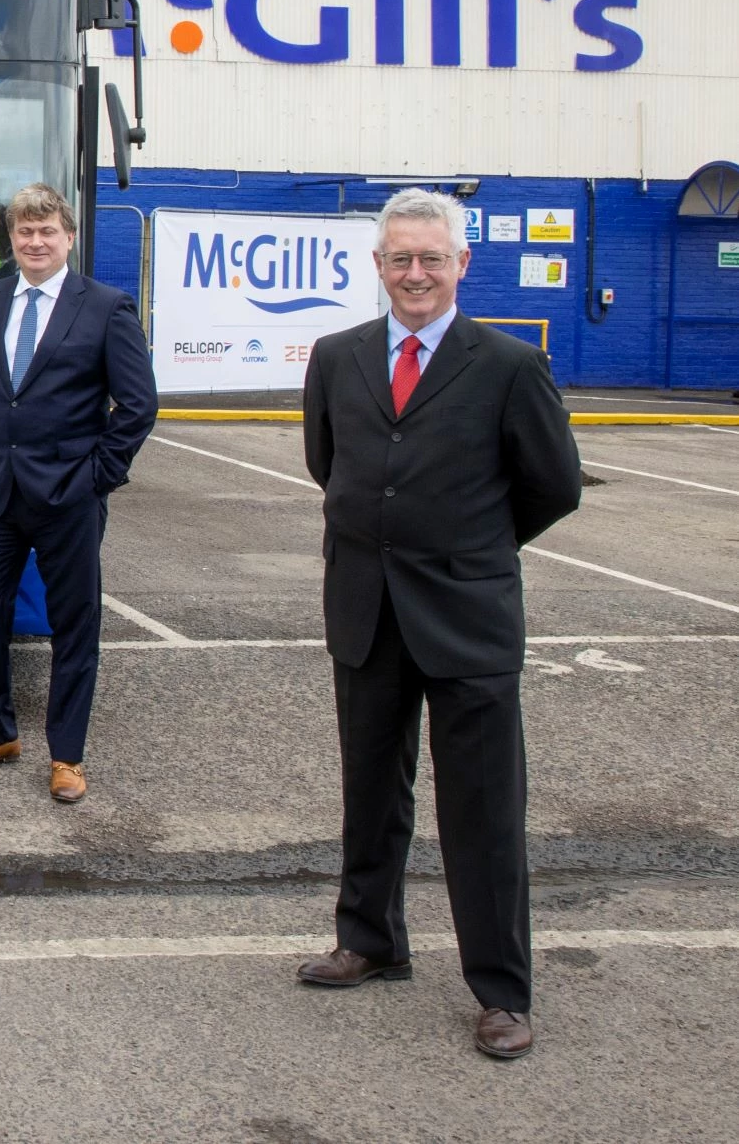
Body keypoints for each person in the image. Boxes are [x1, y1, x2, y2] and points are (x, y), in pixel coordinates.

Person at [298, 187, 582, 1061]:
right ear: (377, 266)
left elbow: (554, 485)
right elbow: (330, 463)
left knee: (484, 809)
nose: (414, 273)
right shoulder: (338, 357)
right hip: (367, 609)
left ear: (462, 264)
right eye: (399, 258)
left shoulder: (505, 365)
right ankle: (371, 937)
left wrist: (471, 547)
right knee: (371, 789)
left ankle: (502, 990)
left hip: (468, 618)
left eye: (431, 257)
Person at [0, 182, 156, 804]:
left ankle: (67, 756)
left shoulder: (106, 306)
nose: (35, 242)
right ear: (11, 239)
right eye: (24, 233)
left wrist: (96, 478)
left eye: (47, 232)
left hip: (69, 497)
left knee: (74, 625)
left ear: (69, 237)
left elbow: (139, 407)